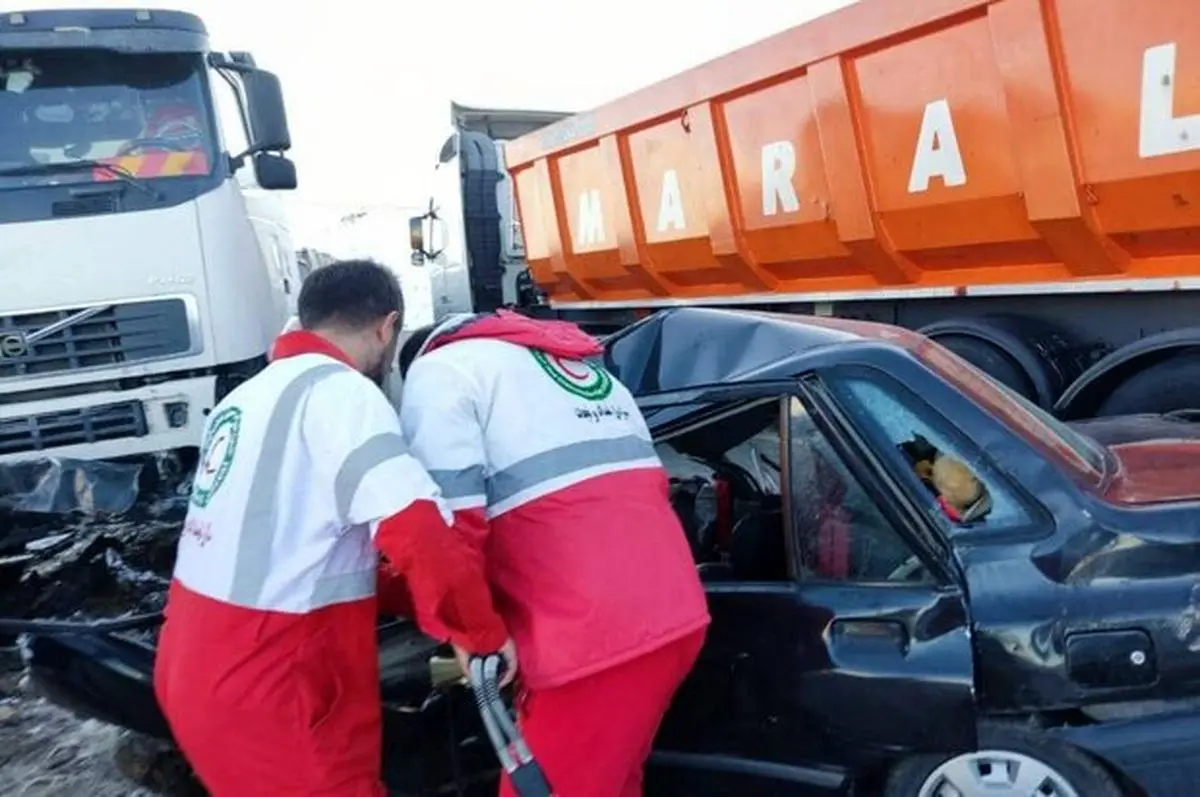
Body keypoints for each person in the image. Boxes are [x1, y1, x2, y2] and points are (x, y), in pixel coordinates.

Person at [153, 260, 515, 797]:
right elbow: (417, 532)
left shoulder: (243, 400)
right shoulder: (342, 395)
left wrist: (416, 599)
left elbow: (304, 550)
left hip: (192, 666)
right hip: (280, 685)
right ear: (387, 327)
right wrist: (481, 635)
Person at [397, 310, 711, 797]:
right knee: (615, 780)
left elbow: (446, 525)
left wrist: (472, 632)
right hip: (671, 617)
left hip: (591, 639)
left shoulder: (441, 371)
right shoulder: (588, 373)